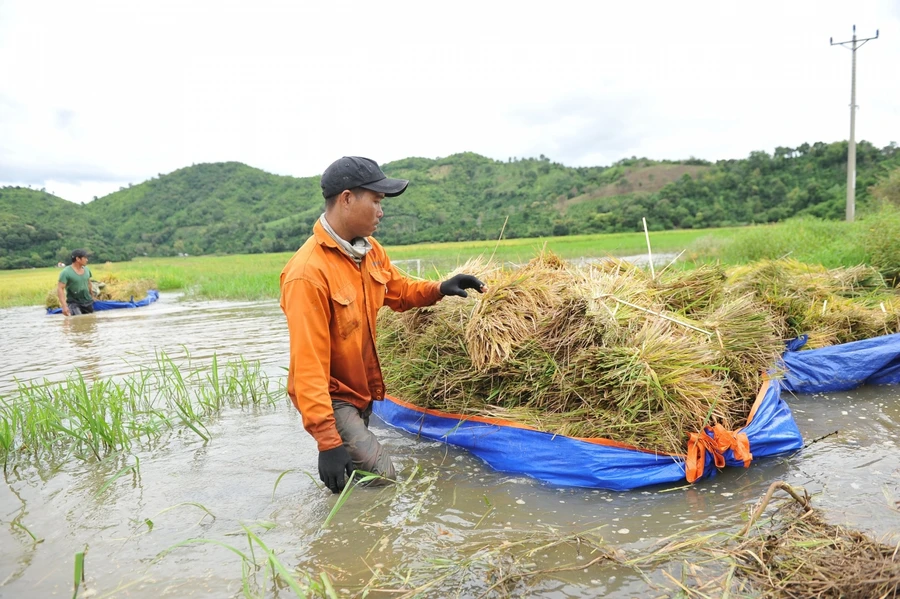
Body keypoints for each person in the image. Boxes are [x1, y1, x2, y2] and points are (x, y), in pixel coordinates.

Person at [280, 156, 486, 494]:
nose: (381, 211)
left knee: (352, 484)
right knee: (384, 481)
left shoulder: (370, 251)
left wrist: (439, 288)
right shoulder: (307, 274)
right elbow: (308, 365)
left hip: (362, 389)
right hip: (333, 396)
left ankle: (344, 535)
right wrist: (327, 440)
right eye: (375, 200)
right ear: (347, 199)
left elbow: (398, 290)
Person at [57, 249, 97, 316]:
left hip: (87, 301)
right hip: (74, 303)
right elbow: (60, 289)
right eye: (85, 258)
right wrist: (64, 306)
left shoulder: (87, 269)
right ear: (78, 259)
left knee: (90, 321)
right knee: (78, 321)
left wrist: (92, 296)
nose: (87, 260)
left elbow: (89, 283)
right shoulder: (66, 272)